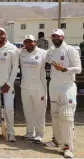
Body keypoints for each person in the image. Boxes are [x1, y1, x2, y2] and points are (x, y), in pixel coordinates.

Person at [44, 29, 82, 158]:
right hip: (54, 86)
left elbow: (78, 68)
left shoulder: (71, 50)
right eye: (53, 36)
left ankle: (68, 147)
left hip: (67, 87)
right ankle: (57, 141)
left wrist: (65, 69)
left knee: (66, 116)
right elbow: (45, 59)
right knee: (54, 114)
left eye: (57, 36)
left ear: (63, 37)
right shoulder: (51, 50)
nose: (55, 38)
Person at [19, 35, 47, 143]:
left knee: (39, 111)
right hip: (25, 87)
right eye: (26, 42)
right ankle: (30, 131)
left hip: (39, 87)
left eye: (30, 41)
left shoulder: (43, 53)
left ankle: (39, 133)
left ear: (35, 42)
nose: (28, 44)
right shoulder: (21, 53)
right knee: (27, 111)